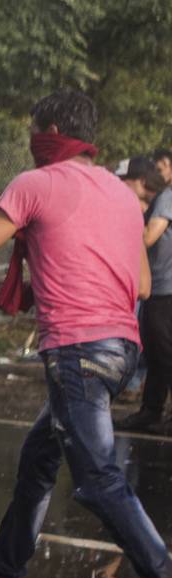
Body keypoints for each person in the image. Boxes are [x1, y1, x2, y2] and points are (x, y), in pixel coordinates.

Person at [0, 89, 170, 578]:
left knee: (96, 479)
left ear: (48, 133)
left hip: (78, 353)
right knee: (38, 458)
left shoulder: (35, 184)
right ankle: (5, 572)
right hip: (122, 349)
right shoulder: (121, 193)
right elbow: (142, 286)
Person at [119, 156, 172, 432]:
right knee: (154, 351)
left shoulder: (167, 197)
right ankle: (150, 411)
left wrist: (125, 226)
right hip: (158, 286)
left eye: (161, 167)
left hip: (165, 288)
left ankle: (154, 411)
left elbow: (150, 236)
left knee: (163, 351)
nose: (157, 172)